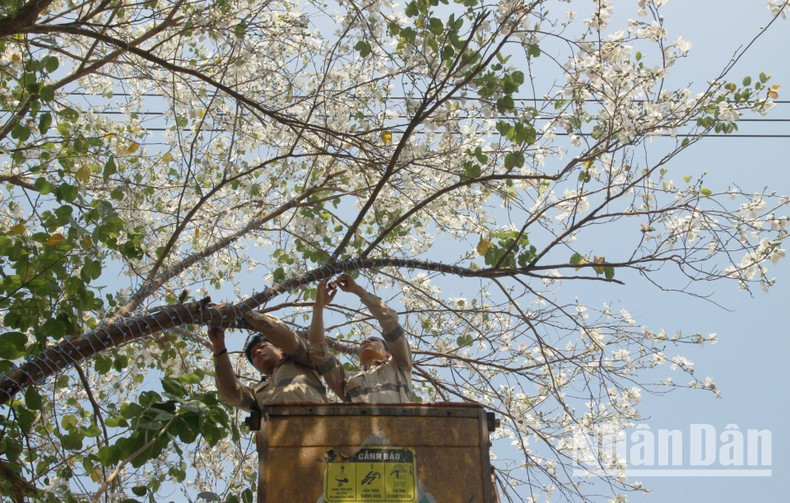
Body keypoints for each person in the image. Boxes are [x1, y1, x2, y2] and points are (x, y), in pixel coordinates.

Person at [309, 274, 412, 403]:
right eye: (362, 343)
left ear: (389, 352)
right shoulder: (347, 379)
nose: (365, 341)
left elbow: (390, 321)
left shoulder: (400, 366)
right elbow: (319, 351)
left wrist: (357, 290)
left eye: (374, 340)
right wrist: (318, 306)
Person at [208, 311, 328, 412]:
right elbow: (232, 394)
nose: (258, 353)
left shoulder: (302, 361)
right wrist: (219, 348)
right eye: (253, 355)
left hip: (319, 430)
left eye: (262, 346)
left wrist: (243, 312)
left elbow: (285, 335)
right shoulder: (256, 391)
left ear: (280, 349)